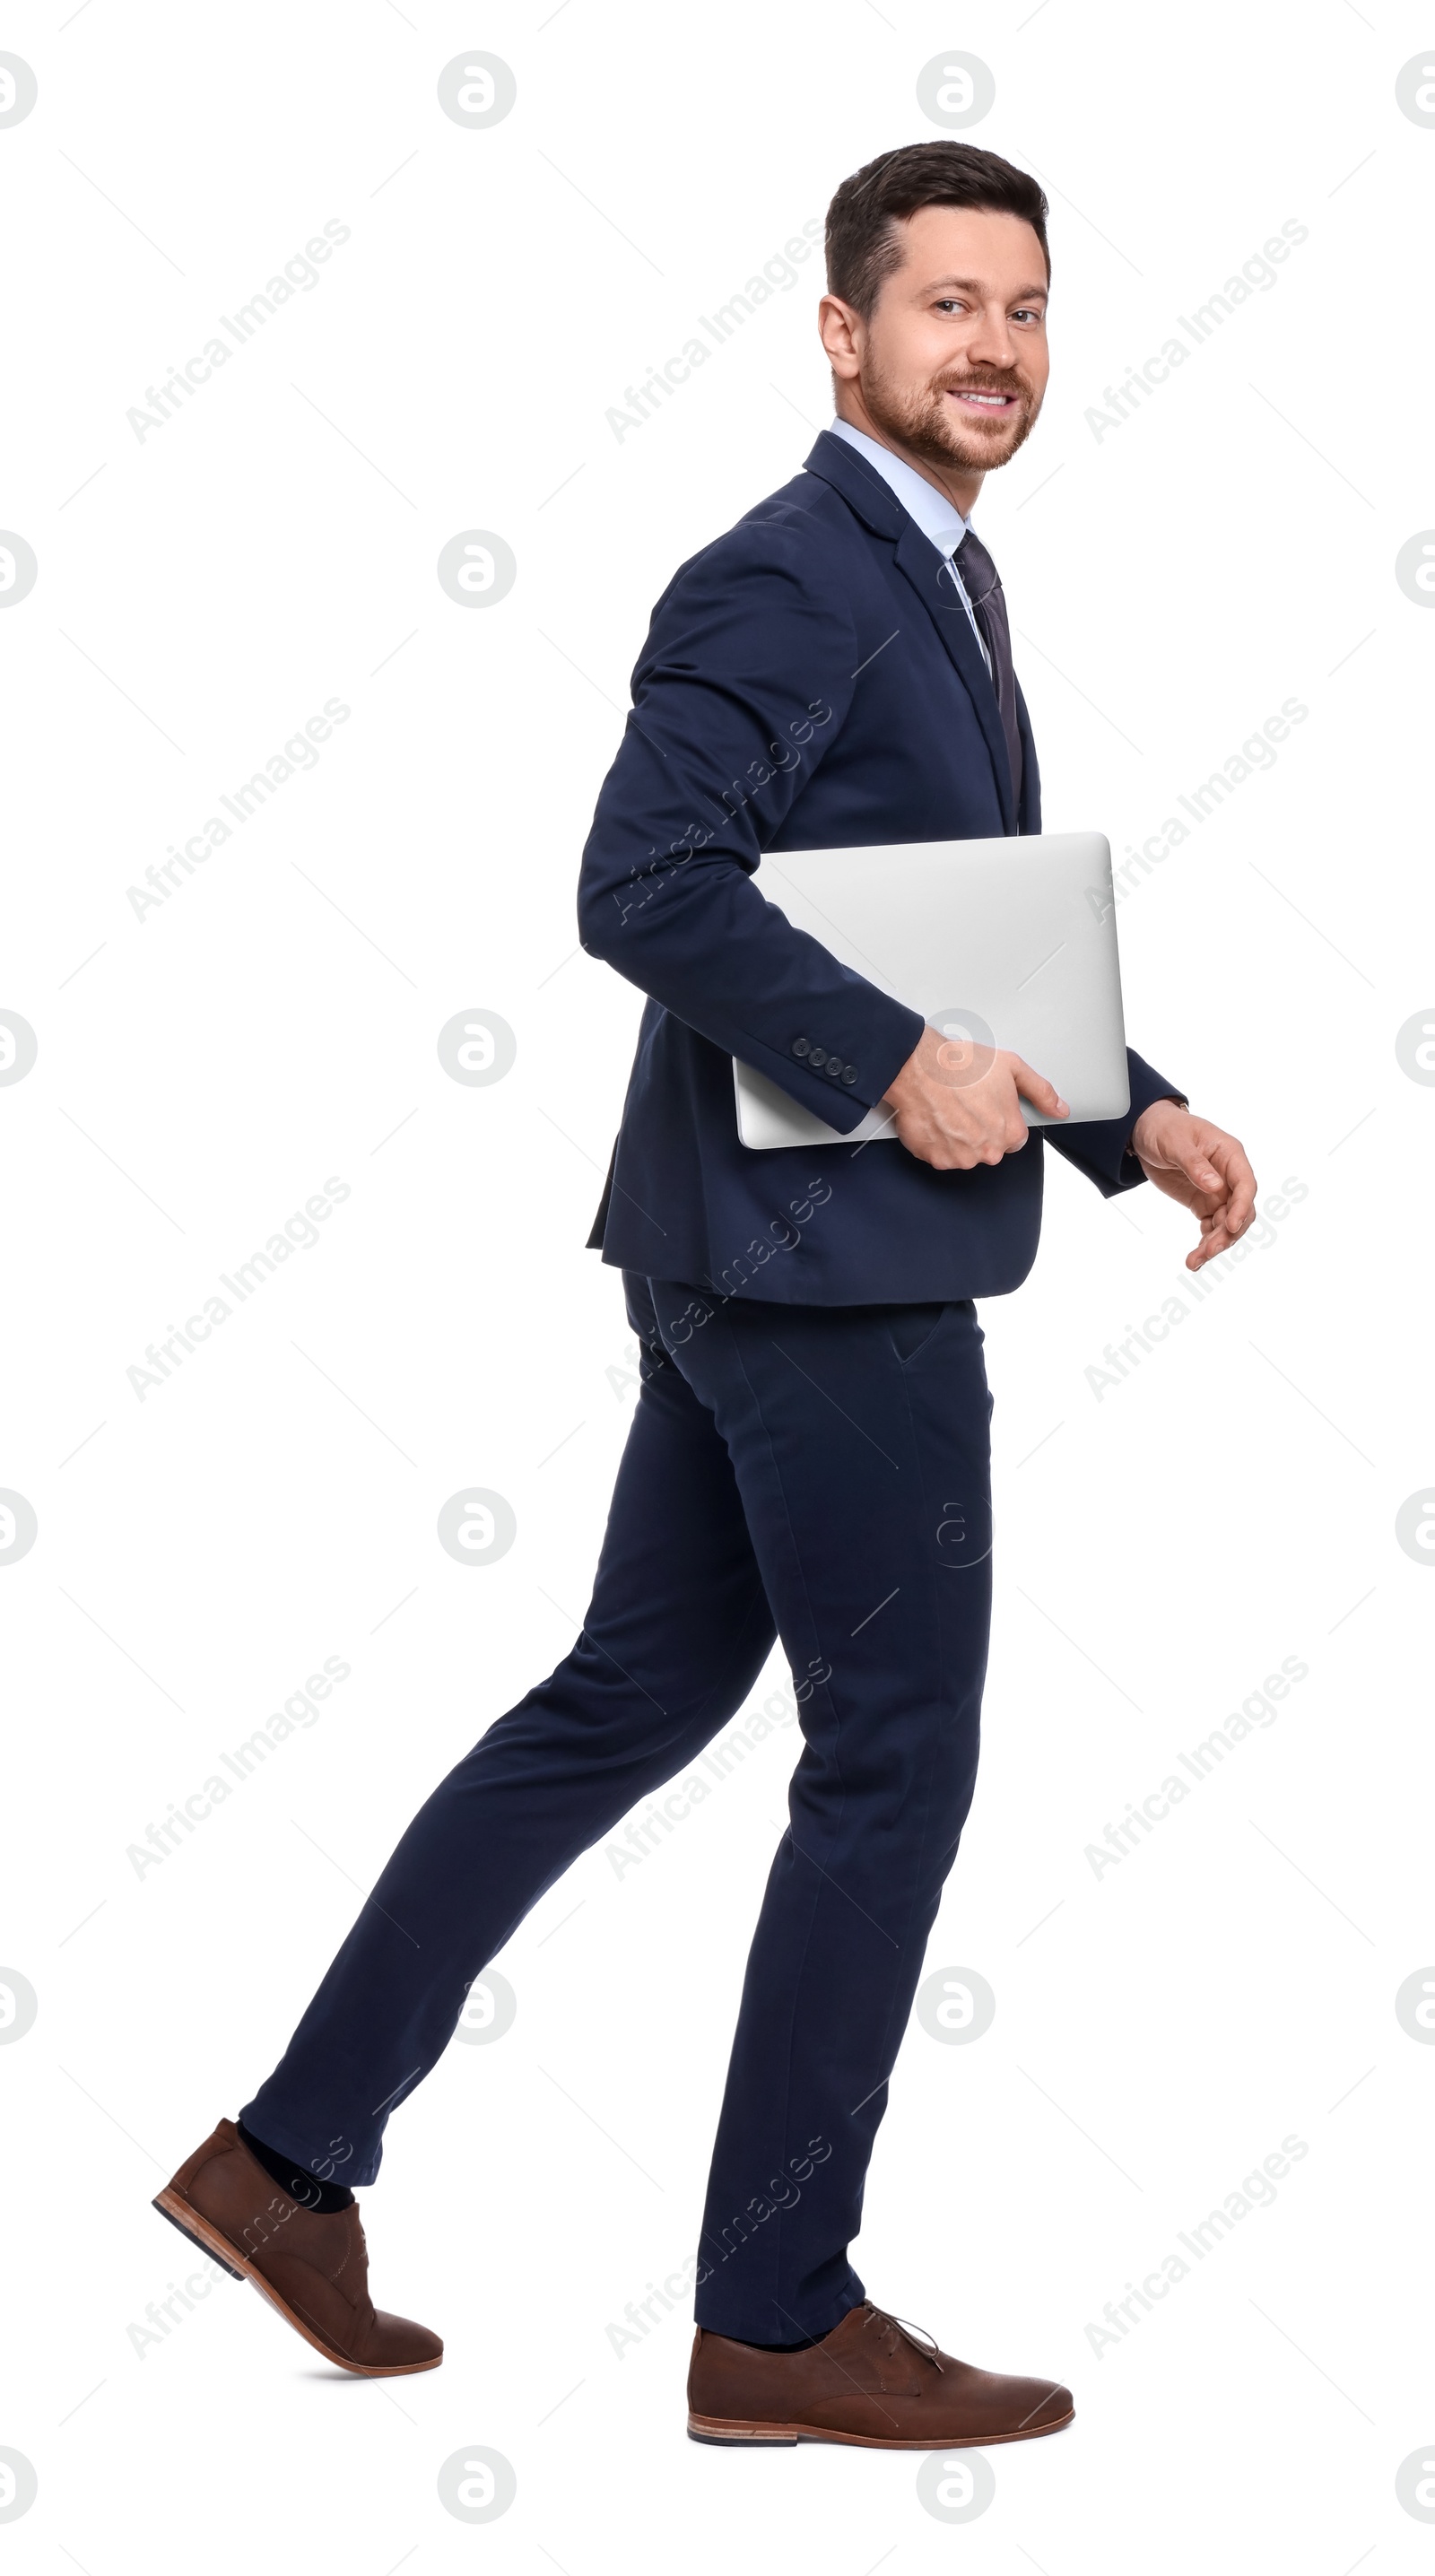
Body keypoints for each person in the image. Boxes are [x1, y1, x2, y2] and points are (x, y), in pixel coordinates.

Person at [155, 140, 1256, 2447]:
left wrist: (1114, 1106)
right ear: (840, 333)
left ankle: (282, 2164)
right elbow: (640, 883)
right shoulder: (788, 572)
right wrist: (886, 1063)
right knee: (892, 1766)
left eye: (1025, 305)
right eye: (943, 303)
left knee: (617, 1701)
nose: (993, 344)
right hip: (824, 1281)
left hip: (749, 1258)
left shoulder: (932, 574)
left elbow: (937, 919)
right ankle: (774, 2310)